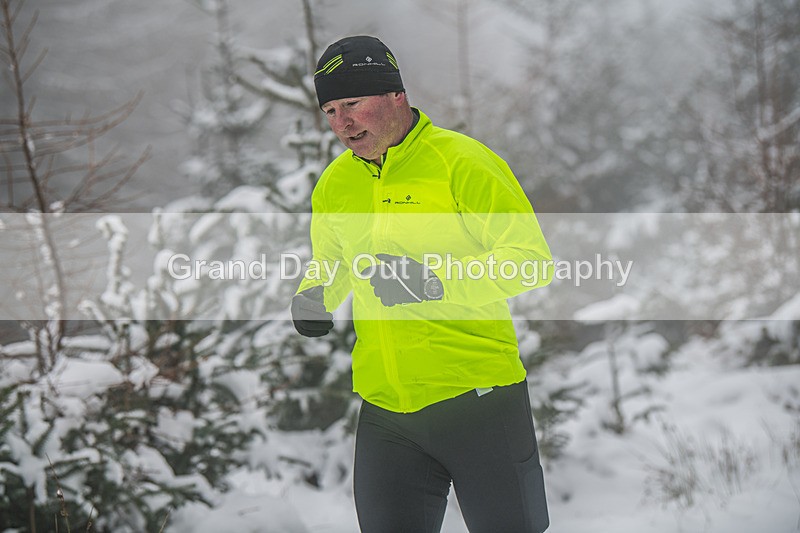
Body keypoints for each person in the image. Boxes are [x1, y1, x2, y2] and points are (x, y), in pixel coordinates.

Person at [291, 35, 552, 533]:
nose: (341, 123)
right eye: (329, 109)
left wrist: (432, 285)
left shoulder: (462, 162)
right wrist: (313, 295)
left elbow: (529, 261)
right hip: (388, 409)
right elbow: (331, 261)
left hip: (479, 399)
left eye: (352, 103)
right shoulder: (335, 184)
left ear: (395, 96)